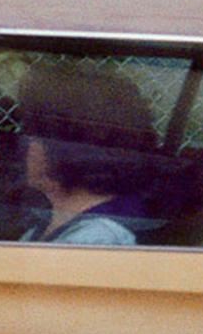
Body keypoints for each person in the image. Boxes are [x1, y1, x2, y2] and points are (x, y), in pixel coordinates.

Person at [12, 64, 161, 245]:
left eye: (30, 132)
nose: (24, 143)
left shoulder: (96, 239)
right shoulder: (57, 220)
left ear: (63, 148)